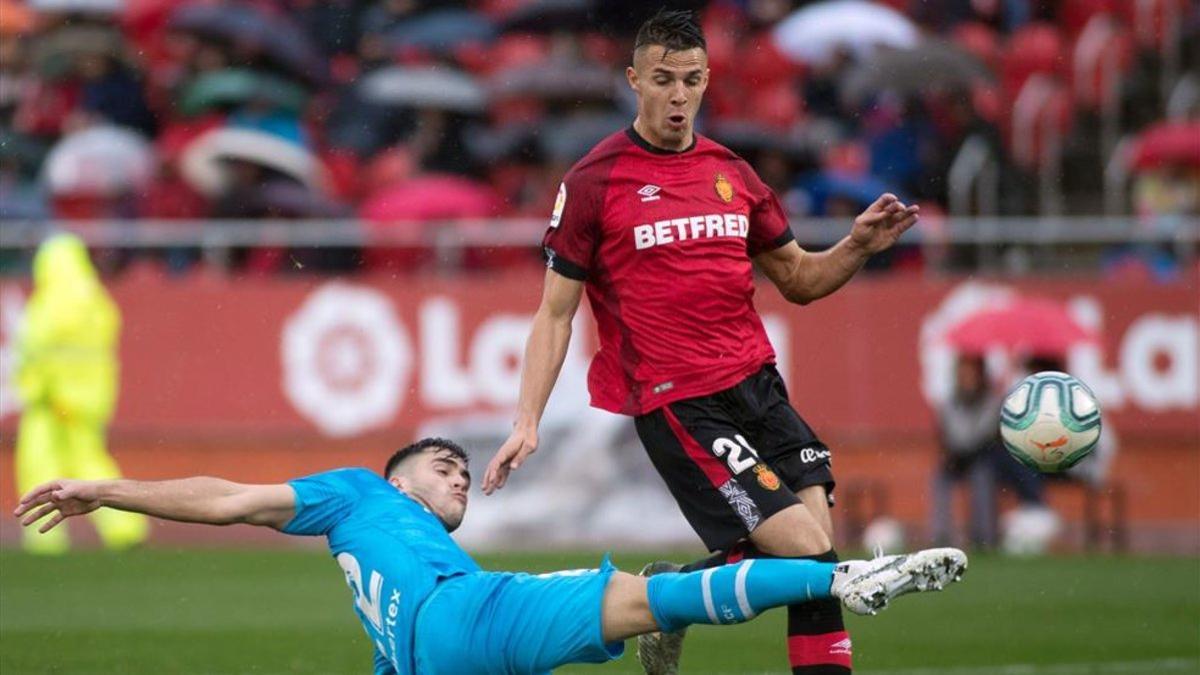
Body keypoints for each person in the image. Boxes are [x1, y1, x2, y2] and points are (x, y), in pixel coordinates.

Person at [482, 10, 922, 675]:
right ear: (634, 80)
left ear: (708, 80)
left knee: (815, 556)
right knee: (808, 554)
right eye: (662, 79)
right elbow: (554, 314)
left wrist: (857, 245)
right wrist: (527, 419)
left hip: (759, 384)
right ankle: (672, 600)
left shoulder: (733, 172)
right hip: (679, 399)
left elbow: (799, 279)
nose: (678, 95)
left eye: (690, 80)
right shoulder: (594, 182)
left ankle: (666, 596)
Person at [14, 437, 969, 675]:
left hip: (438, 651)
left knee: (644, 601)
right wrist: (106, 487)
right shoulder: (357, 491)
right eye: (443, 464)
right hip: (462, 619)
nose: (458, 475)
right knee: (639, 599)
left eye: (465, 474)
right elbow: (223, 500)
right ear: (396, 474)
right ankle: (840, 577)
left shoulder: (407, 549)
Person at [14, 233, 148, 554]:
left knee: (40, 464)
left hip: (52, 399)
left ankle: (44, 538)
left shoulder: (50, 301)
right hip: (89, 400)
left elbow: (36, 348)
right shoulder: (98, 301)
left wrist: (38, 388)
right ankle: (125, 528)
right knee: (91, 463)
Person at [930, 354, 1003, 549]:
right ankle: (941, 538)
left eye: (971, 374)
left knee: (982, 477)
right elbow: (950, 432)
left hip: (980, 457)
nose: (967, 379)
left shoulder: (991, 402)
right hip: (956, 458)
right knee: (939, 479)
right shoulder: (950, 402)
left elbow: (985, 434)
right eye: (963, 374)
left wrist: (965, 447)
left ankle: (984, 538)